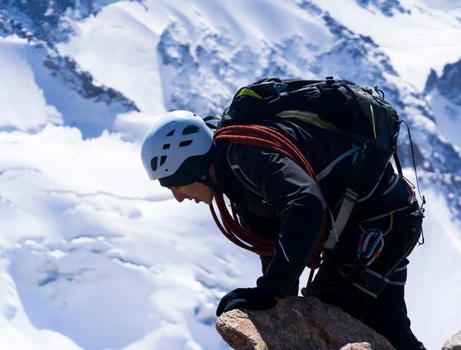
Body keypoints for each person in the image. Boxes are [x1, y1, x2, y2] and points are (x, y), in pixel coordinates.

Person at [141, 109, 426, 350]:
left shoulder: (247, 156)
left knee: (326, 315)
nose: (178, 196)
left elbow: (306, 205)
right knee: (389, 327)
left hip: (380, 222)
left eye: (174, 184)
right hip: (389, 217)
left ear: (192, 168)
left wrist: (270, 291)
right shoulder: (237, 178)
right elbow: (273, 241)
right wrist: (276, 298)